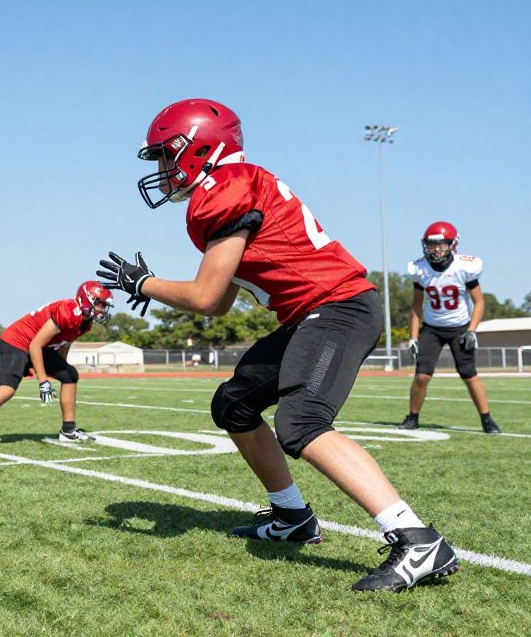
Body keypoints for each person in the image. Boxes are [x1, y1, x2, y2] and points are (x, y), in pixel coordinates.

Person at [97, 98, 458, 593]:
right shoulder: (235, 184)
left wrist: (144, 284)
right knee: (235, 403)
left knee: (302, 423)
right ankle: (293, 517)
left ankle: (416, 539)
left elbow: (203, 298)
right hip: (310, 313)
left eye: (166, 154)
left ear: (200, 147)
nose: (162, 168)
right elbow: (221, 302)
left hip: (337, 306)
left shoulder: (224, 190)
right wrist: (156, 286)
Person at [0, 281, 113, 451]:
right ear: (86, 299)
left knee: (70, 375)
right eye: (100, 304)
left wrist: (59, 368)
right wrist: (43, 381)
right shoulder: (67, 310)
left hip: (37, 346)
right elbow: (35, 345)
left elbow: (64, 344)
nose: (102, 309)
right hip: (17, 341)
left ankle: (68, 431)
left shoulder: (85, 322)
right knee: (7, 389)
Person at [399, 222, 499, 433]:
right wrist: (413, 337)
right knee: (422, 375)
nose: (435, 249)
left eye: (440, 244)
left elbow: (479, 302)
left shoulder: (464, 267)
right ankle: (412, 417)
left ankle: (487, 419)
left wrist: (472, 330)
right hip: (432, 328)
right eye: (431, 245)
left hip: (459, 327)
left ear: (452, 245)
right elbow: (416, 306)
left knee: (469, 374)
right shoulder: (420, 269)